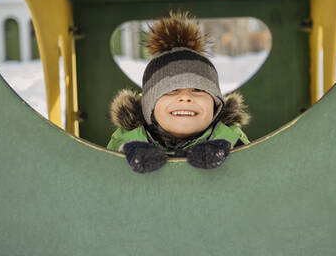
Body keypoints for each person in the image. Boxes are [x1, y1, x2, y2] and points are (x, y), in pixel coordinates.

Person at [107, 11, 250, 173]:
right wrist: (127, 155)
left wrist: (230, 157)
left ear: (215, 106)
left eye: (198, 90)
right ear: (148, 107)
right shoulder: (126, 138)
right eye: (172, 90)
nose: (185, 97)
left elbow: (252, 175)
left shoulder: (231, 137)